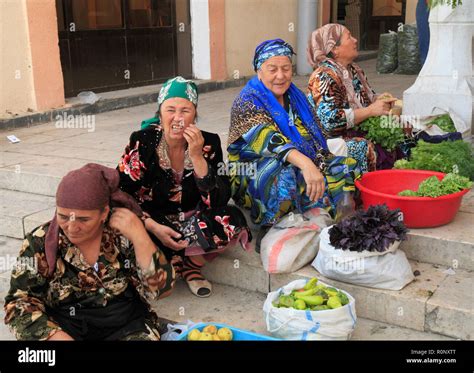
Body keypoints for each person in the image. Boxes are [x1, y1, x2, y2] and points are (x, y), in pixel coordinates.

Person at [4, 163, 175, 341]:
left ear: (104, 213)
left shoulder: (123, 233)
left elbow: (162, 290)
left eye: (83, 219)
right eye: (63, 216)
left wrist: (141, 237)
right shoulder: (40, 241)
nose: (71, 228)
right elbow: (18, 304)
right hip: (65, 328)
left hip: (126, 325)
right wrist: (55, 336)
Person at [118, 76, 250, 298]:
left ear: (194, 115)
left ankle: (190, 265)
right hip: (153, 222)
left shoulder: (209, 143)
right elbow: (120, 193)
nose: (177, 118)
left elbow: (217, 199)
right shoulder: (143, 141)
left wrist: (197, 157)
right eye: (170, 110)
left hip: (191, 220)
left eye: (185, 111)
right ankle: (171, 261)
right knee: (151, 282)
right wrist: (151, 226)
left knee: (231, 220)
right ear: (159, 113)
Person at [227, 39, 361, 250]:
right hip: (254, 171)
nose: (280, 76)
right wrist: (307, 165)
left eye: (286, 68)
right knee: (282, 173)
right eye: (272, 69)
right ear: (258, 71)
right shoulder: (247, 101)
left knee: (345, 165)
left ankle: (339, 222)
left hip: (298, 160)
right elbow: (268, 140)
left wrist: (318, 162)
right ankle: (270, 222)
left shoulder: (296, 98)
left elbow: (316, 137)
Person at [307, 23, 401, 171]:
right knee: (365, 147)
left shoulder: (354, 69)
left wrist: (378, 100)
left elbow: (365, 100)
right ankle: (363, 189)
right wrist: (370, 111)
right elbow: (330, 122)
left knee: (398, 128)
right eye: (349, 37)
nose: (355, 40)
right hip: (333, 138)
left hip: (357, 127)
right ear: (334, 49)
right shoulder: (324, 76)